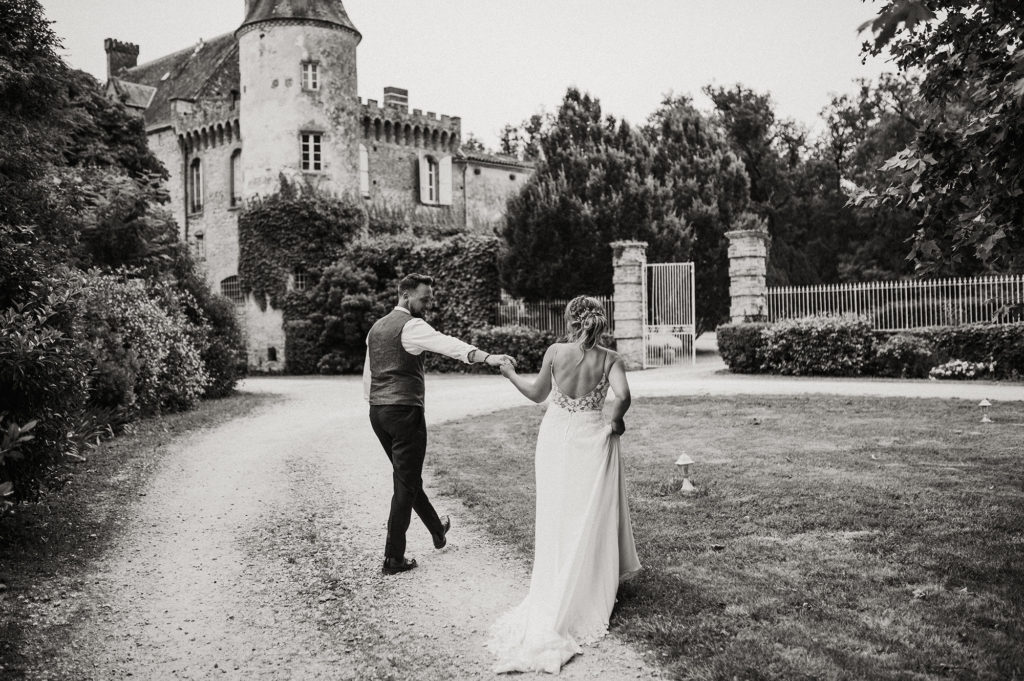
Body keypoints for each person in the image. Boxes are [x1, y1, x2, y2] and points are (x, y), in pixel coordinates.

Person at [487, 295, 641, 674]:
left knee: (556, 510)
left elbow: (538, 395)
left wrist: (509, 373)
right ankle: (587, 584)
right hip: (591, 436)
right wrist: (616, 423)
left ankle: (555, 579)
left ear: (571, 320)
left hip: (555, 437)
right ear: (599, 321)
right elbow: (623, 397)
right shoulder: (610, 359)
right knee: (588, 511)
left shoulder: (555, 352)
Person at [364, 273, 517, 576]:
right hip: (405, 412)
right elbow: (447, 344)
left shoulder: (376, 328)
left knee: (406, 478)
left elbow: (369, 374)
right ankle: (394, 559)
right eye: (425, 297)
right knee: (405, 483)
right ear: (406, 295)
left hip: (377, 411)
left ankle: (437, 529)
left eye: (431, 298)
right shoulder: (412, 325)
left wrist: (376, 404)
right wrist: (487, 357)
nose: (429, 303)